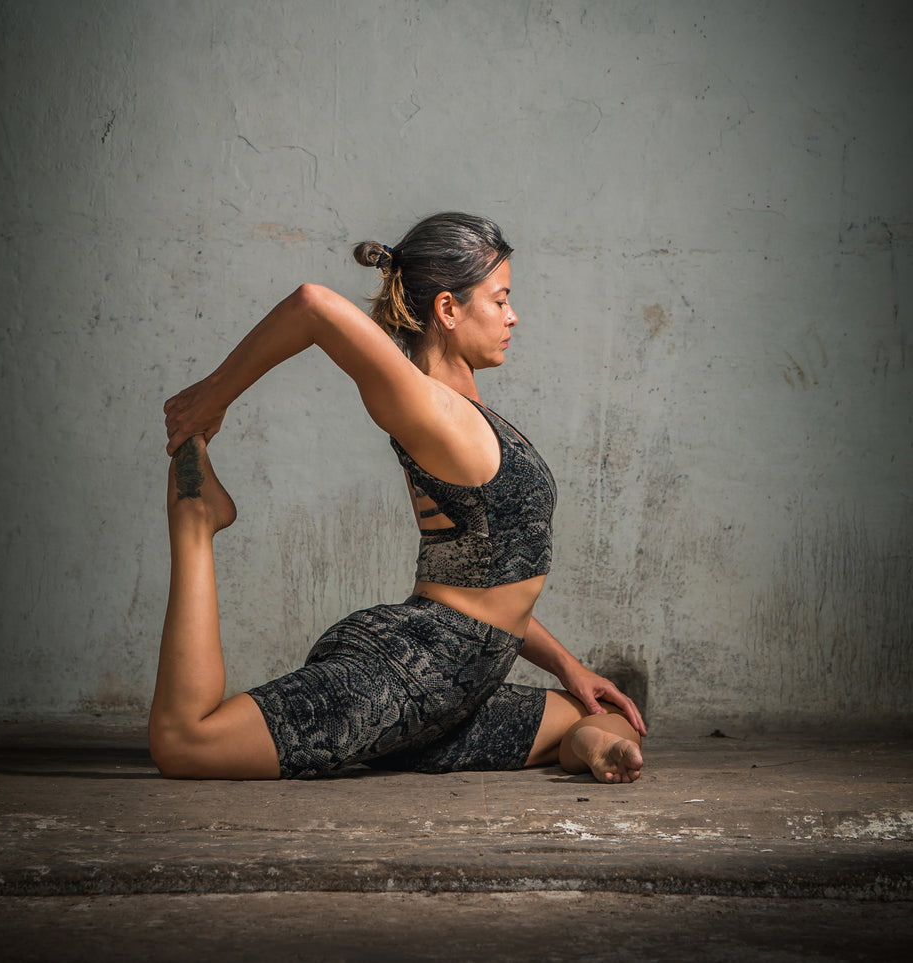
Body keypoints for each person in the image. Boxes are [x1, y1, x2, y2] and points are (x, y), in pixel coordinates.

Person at [152, 212, 646, 784]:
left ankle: (591, 748)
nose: (514, 316)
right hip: (409, 673)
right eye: (500, 299)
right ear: (447, 310)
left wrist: (568, 667)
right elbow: (313, 305)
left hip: (459, 682)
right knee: (185, 743)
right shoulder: (428, 406)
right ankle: (195, 521)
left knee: (609, 717)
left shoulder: (463, 416)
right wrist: (212, 399)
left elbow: (488, 585)